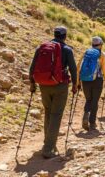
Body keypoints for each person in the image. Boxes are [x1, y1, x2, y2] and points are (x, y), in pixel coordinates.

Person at [29, 26, 78, 158]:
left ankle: (48, 143)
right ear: (64, 36)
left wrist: (32, 84)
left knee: (48, 113)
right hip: (60, 86)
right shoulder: (67, 50)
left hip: (43, 85)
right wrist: (75, 85)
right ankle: (48, 148)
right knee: (56, 115)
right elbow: (73, 69)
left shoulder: (41, 47)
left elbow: (32, 67)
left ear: (54, 34)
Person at [77, 37, 105, 131]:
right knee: (95, 101)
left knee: (88, 99)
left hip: (85, 80)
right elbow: (104, 69)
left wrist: (78, 82)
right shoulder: (102, 54)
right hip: (97, 80)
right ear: (101, 45)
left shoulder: (86, 52)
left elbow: (78, 67)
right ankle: (92, 122)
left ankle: (86, 114)